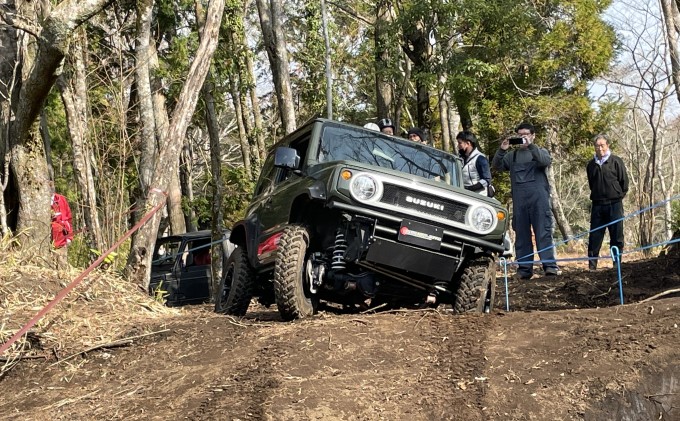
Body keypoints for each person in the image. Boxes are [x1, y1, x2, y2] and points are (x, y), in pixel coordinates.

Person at [492, 123, 560, 278]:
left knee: (543, 232)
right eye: (520, 134)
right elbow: (497, 166)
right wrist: (501, 150)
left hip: (539, 200)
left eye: (526, 134)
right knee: (522, 234)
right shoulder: (512, 156)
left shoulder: (540, 151)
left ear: (533, 135)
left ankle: (549, 266)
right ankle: (524, 269)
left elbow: (545, 162)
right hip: (520, 201)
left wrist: (531, 147)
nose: (523, 137)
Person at [586, 134, 629, 270]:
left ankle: (617, 264)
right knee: (595, 236)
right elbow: (591, 184)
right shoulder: (591, 165)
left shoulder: (616, 161)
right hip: (598, 205)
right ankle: (592, 266)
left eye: (602, 145)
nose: (600, 148)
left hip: (614, 204)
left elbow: (624, 183)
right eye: (597, 146)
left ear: (607, 145)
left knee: (616, 236)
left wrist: (616, 195)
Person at [456, 130, 492, 197]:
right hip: (464, 195)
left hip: (479, 197)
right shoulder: (460, 158)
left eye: (460, 143)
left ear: (468, 143)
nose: (458, 146)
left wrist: (470, 189)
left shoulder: (480, 158)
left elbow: (486, 180)